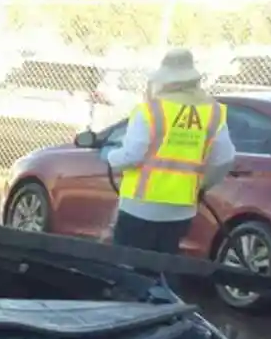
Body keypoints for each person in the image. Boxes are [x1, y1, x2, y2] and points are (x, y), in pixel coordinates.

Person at [101, 48, 236, 254]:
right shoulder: (213, 112)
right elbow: (224, 158)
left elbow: (132, 155)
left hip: (141, 206)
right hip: (181, 211)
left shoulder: (151, 110)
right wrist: (202, 185)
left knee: (128, 271)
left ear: (166, 80)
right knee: (163, 268)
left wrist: (110, 157)